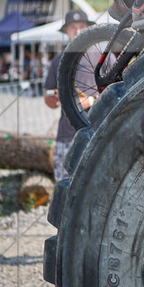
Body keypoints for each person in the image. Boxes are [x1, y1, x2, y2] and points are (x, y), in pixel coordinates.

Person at [43, 10, 91, 181]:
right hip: (66, 134)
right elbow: (49, 94)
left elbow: (116, 92)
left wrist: (91, 100)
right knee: (64, 184)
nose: (77, 31)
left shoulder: (102, 57)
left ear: (88, 28)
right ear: (66, 31)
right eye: (73, 28)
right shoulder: (58, 61)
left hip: (97, 132)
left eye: (81, 26)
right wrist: (51, 101)